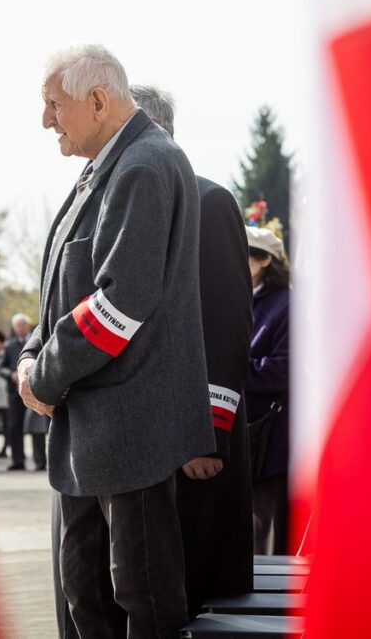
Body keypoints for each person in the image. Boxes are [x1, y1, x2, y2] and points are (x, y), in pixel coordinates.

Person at [17, 44, 213, 638]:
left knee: (141, 598)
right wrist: (32, 357)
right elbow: (65, 292)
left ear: (98, 101)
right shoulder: (109, 165)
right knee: (87, 597)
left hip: (130, 431)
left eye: (54, 104)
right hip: (96, 431)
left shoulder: (144, 165)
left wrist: (43, 376)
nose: (46, 120)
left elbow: (118, 306)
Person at [132, 84, 255, 616]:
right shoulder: (124, 209)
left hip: (195, 446)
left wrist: (207, 433)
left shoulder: (208, 201)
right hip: (145, 443)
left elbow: (227, 323)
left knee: (199, 596)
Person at [244, 226, 291, 555]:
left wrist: (231, 372)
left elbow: (285, 369)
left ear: (263, 260)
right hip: (244, 434)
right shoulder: (238, 299)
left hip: (272, 438)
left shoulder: (287, 304)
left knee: (270, 536)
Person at [0, 314, 44, 471]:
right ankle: (18, 460)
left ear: (28, 325)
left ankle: (41, 461)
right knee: (14, 426)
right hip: (14, 393)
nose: (20, 328)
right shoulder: (9, 346)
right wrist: (9, 374)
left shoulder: (38, 342)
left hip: (34, 389)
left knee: (37, 426)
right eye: (17, 326)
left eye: (23, 325)